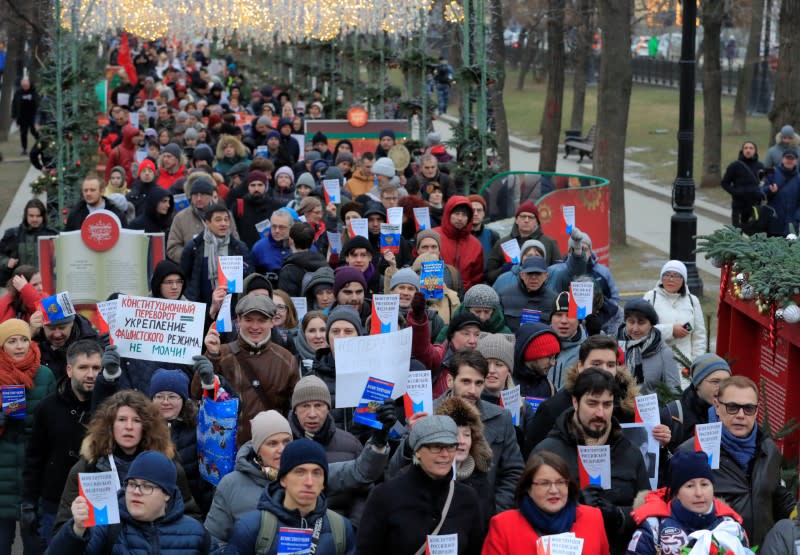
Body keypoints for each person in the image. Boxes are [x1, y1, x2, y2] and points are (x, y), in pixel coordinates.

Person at [206, 409, 391, 545]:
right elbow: (213, 540)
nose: (281, 449)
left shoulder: (310, 475)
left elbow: (359, 472)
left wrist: (378, 443)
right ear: (257, 449)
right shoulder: (231, 484)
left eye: (286, 441)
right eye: (272, 443)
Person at [390, 350, 524, 515]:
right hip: (430, 514)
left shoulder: (500, 417)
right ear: (449, 380)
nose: (473, 390)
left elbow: (514, 472)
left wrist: (493, 512)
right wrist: (413, 437)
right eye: (466, 381)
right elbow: (394, 471)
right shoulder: (425, 413)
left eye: (479, 383)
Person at [533, 369, 650, 553]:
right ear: (575, 402)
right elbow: (527, 512)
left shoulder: (630, 453)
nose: (600, 413)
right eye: (592, 403)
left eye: (607, 404)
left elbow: (649, 510)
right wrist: (574, 507)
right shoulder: (547, 452)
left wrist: (620, 516)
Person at [53, 390, 200, 535]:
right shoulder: (88, 467)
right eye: (122, 419)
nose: (128, 427)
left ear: (146, 426)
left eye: (136, 420)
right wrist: (77, 527)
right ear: (110, 425)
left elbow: (190, 517)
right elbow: (61, 531)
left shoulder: (167, 466)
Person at [678, 375, 795, 545]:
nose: (741, 415)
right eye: (732, 407)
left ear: (756, 410)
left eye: (748, 408)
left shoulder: (769, 451)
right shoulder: (692, 452)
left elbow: (776, 496)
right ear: (717, 406)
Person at [358, 415, 486, 555]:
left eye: (450, 447)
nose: (445, 455)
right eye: (437, 447)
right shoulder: (384, 496)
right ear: (417, 451)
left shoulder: (467, 498)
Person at [49, 451, 210, 555]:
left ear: (167, 494)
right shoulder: (107, 527)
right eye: (132, 484)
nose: (136, 491)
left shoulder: (196, 533)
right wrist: (77, 530)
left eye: (147, 486)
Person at [191, 294, 298, 446]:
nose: (255, 327)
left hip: (271, 450)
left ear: (272, 322)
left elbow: (293, 410)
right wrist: (212, 356)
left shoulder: (287, 360)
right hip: (225, 449)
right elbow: (196, 395)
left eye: (262, 320)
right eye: (248, 320)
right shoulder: (220, 353)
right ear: (239, 320)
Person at [22, 340, 101, 547]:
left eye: (96, 368)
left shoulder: (112, 408)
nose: (91, 374)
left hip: (99, 502)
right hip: (54, 503)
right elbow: (34, 459)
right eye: (83, 367)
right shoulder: (47, 408)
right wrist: (29, 502)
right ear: (69, 369)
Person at [224, 439, 356, 555]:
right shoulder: (251, 528)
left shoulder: (341, 529)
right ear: (283, 480)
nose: (309, 482)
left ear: (323, 483)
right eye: (300, 472)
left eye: (317, 473)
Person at [482, 451, 610, 555]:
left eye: (560, 482)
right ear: (528, 488)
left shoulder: (593, 518)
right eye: (544, 483)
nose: (554, 490)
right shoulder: (504, 525)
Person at [0, 319, 55, 554]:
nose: (20, 346)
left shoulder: (44, 375)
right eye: (12, 341)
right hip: (2, 467)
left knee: (34, 543)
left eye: (24, 339)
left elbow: (53, 421)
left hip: (33, 469)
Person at [627, 451, 748, 555]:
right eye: (690, 486)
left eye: (704, 484)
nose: (699, 493)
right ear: (676, 492)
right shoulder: (654, 529)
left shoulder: (731, 526)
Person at [288, 376, 367, 525]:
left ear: (328, 408)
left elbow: (364, 493)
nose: (312, 414)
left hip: (340, 533)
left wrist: (352, 527)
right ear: (295, 410)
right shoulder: (282, 444)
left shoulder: (351, 445)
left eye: (318, 405)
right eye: (305, 406)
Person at [524, 335, 620, 456]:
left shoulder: (625, 406)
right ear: (580, 366)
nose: (604, 370)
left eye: (611, 365)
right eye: (596, 364)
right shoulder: (553, 408)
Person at [435, 396, 494, 523]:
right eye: (455, 434)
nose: (461, 441)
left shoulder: (482, 480)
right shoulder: (428, 478)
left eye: (467, 434)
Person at [180, 204, 252, 305]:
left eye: (226, 220)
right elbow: (184, 276)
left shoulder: (239, 247)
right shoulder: (194, 247)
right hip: (202, 305)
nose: (223, 223)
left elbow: (249, 276)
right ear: (207, 223)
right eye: (218, 220)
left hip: (232, 305)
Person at [644, 260, 706, 372]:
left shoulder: (693, 301)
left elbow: (699, 336)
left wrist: (695, 362)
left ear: (684, 280)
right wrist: (670, 330)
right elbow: (643, 330)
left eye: (676, 276)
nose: (671, 279)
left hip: (684, 364)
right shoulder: (650, 297)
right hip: (655, 361)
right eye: (667, 275)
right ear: (661, 278)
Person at [664, 354, 731, 450]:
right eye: (715, 381)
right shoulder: (672, 415)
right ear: (697, 384)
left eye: (726, 382)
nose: (721, 388)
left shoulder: (735, 414)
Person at [486, 200, 561, 283]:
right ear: (516, 220)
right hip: (510, 292)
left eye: (531, 217)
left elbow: (558, 273)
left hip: (541, 291)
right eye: (523, 216)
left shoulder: (549, 243)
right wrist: (504, 270)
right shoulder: (503, 243)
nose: (526, 220)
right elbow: (489, 276)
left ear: (536, 222)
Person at [617, 299, 681, 395]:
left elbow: (674, 392)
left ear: (651, 324)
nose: (635, 328)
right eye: (631, 322)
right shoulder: (614, 347)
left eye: (641, 323)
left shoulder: (664, 353)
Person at [433, 196, 484, 290]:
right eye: (456, 213)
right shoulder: (433, 236)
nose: (460, 218)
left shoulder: (476, 245)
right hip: (435, 293)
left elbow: (477, 278)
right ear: (448, 214)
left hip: (464, 297)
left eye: (464, 215)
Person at [493, 256, 557, 331]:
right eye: (529, 273)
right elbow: (497, 326)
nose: (533, 278)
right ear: (522, 275)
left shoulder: (554, 300)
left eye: (538, 273)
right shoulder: (503, 296)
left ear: (546, 276)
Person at [0, 199, 57, 282]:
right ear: (26, 216)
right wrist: (7, 262)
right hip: (19, 285)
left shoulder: (52, 235)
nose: (35, 219)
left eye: (38, 216)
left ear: (43, 216)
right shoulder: (12, 234)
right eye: (31, 215)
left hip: (45, 285)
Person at [720, 141, 766, 229]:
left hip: (754, 205)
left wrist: (760, 192)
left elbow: (764, 183)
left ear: (755, 151)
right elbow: (724, 183)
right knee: (737, 233)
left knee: (754, 233)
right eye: (746, 148)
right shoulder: (735, 166)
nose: (748, 150)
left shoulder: (760, 166)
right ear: (742, 150)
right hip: (739, 206)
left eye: (751, 148)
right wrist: (735, 192)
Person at [550, 291, 588, 391]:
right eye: (558, 315)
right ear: (551, 319)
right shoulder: (539, 345)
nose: (564, 321)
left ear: (579, 320)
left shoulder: (588, 349)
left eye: (570, 315)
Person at [64, 173, 128, 231]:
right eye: (85, 190)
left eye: (92, 190)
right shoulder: (75, 214)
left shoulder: (116, 213)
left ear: (102, 191)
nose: (88, 193)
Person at [277, 223, 327, 297]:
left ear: (291, 240)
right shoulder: (324, 265)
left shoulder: (288, 271)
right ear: (312, 241)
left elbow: (287, 300)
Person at [513, 322, 560, 399]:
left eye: (554, 357)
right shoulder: (504, 384)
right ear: (531, 355)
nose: (553, 363)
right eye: (549, 357)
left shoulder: (549, 388)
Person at [761, 148, 800, 237]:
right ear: (782, 159)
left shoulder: (799, 179)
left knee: (789, 250)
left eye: (792, 159)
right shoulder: (772, 173)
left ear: (796, 161)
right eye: (787, 158)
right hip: (773, 223)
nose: (789, 161)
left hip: (792, 226)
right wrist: (769, 190)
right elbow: (761, 192)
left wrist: (797, 219)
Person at [251, 209, 293, 274]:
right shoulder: (259, 248)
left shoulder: (300, 245)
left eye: (281, 227)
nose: (277, 231)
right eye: (274, 226)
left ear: (291, 227)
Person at [469, 195, 498, 271]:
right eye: (472, 210)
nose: (475, 213)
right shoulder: (458, 236)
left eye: (479, 210)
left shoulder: (492, 236)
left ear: (484, 213)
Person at [11, 78, 39, 156]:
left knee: (35, 132)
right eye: (24, 85)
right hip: (22, 117)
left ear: (29, 85)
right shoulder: (18, 93)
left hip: (33, 116)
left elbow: (38, 103)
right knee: (23, 133)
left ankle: (41, 144)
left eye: (26, 85)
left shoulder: (34, 92)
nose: (25, 87)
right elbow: (14, 104)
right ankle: (24, 149)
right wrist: (14, 116)